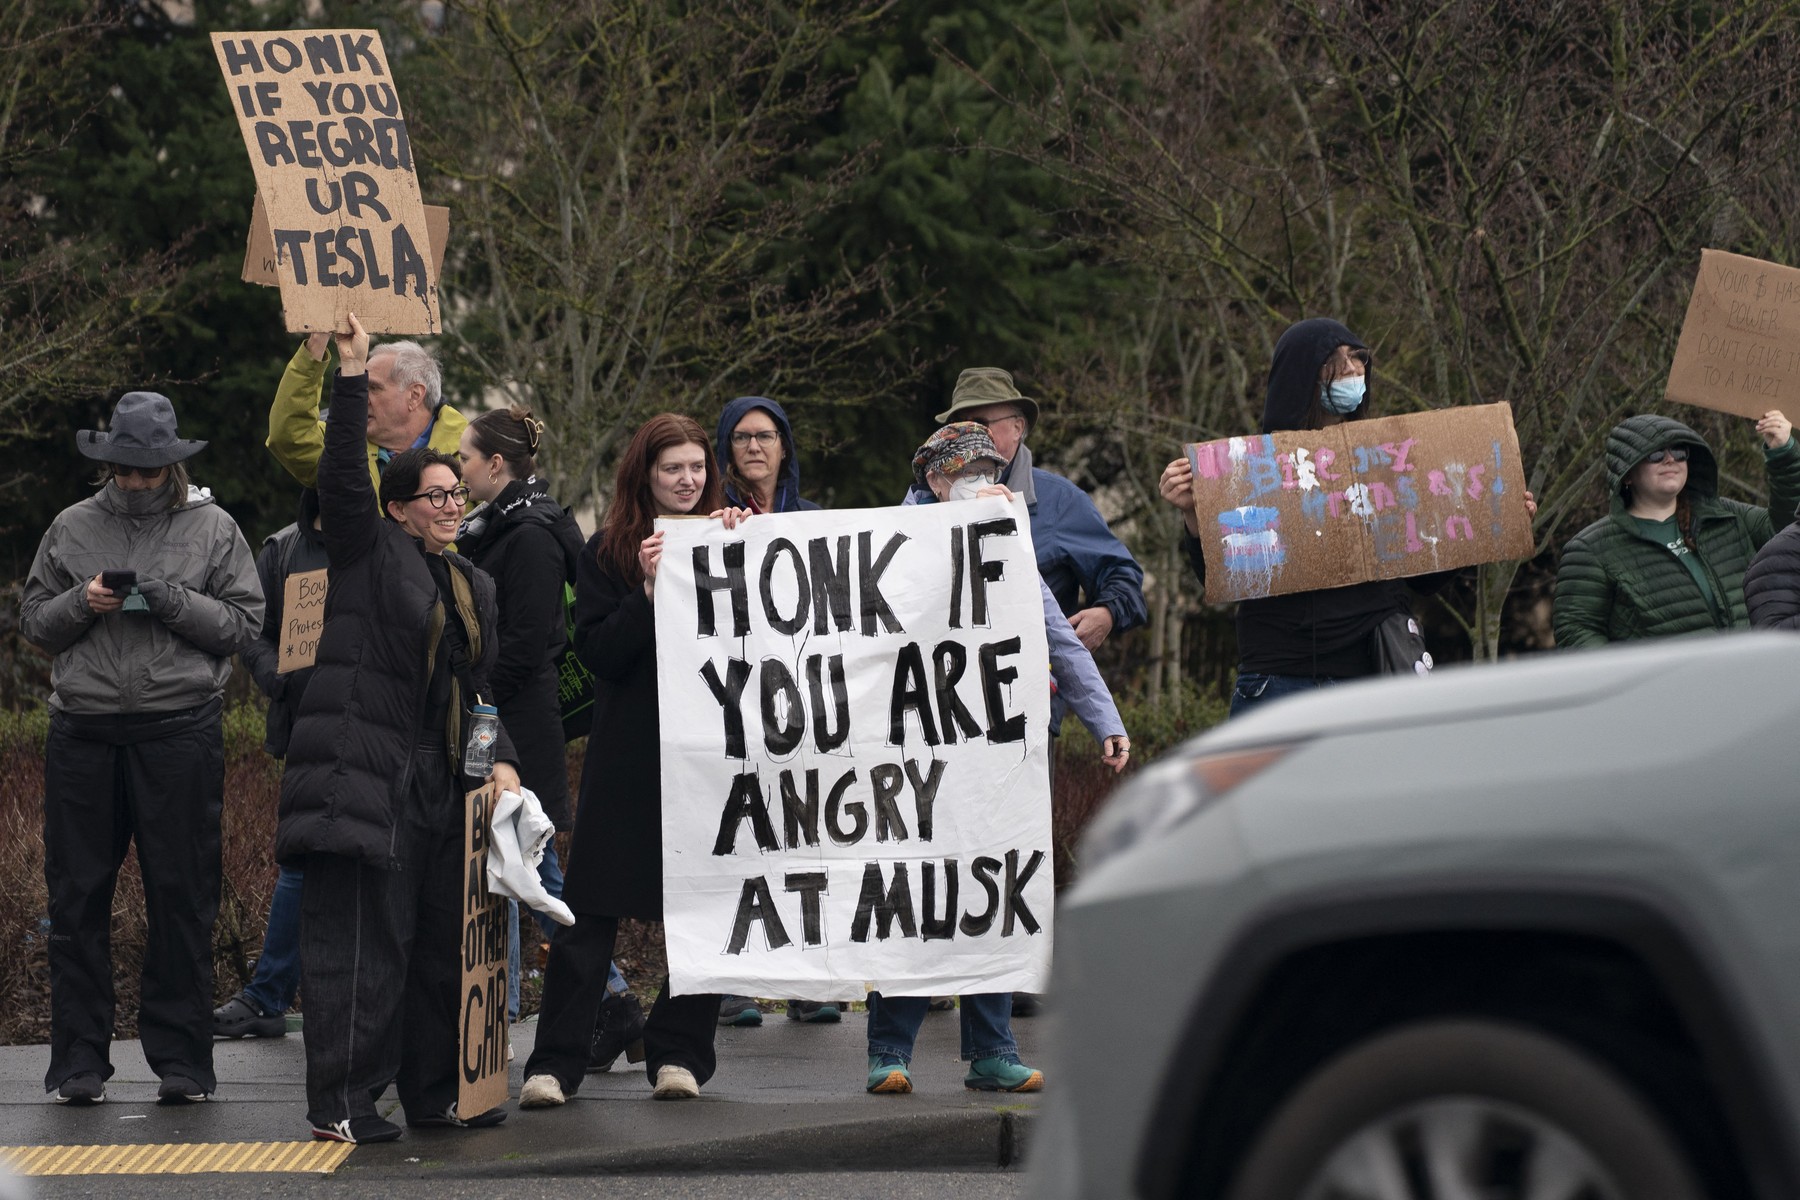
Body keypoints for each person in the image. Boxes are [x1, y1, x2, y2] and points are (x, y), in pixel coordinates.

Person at [276, 314, 520, 1144]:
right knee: (359, 950)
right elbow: (344, 472)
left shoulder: (471, 584)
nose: (453, 506)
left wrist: (503, 767)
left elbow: (477, 689)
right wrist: (348, 374)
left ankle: (431, 1093)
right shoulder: (365, 547)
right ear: (399, 508)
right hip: (365, 774)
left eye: (458, 494)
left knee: (434, 953)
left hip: (443, 782)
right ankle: (342, 1102)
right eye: (436, 496)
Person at [863, 422, 1131, 1097]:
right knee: (915, 898)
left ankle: (993, 1051)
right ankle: (888, 1051)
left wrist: (1105, 718)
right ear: (935, 481)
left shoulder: (1006, 545)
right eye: (972, 473)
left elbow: (1059, 640)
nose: (987, 483)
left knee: (993, 892)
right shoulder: (886, 544)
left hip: (992, 757)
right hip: (917, 756)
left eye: (992, 471)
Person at [22, 392, 263, 1106]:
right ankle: (78, 1066)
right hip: (84, 732)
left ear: (171, 466)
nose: (132, 482)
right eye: (122, 469)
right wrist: (81, 604)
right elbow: (36, 621)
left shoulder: (214, 527)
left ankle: (184, 1064)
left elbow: (245, 624)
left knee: (183, 900)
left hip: (178, 731)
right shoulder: (70, 525)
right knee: (76, 902)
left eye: (145, 471)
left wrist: (169, 598)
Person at [520, 414, 745, 1109]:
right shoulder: (606, 554)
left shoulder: (736, 540)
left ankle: (679, 1054)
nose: (687, 480)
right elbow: (600, 656)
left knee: (703, 910)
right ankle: (556, 1063)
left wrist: (746, 542)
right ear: (644, 475)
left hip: (711, 756)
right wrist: (649, 591)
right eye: (673, 468)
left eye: (697, 468)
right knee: (588, 913)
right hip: (629, 756)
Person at [1158, 318, 1535, 716]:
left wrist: (1489, 520)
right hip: (1281, 677)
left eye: (1359, 363)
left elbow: (1426, 576)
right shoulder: (1251, 471)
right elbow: (1228, 577)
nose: (1354, 373)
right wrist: (1193, 518)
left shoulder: (1387, 463)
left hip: (1371, 676)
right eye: (1338, 364)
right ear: (1304, 374)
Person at [455, 406, 645, 1062]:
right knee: (507, 861)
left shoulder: (528, 537)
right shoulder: (506, 527)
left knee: (530, 866)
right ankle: (602, 1000)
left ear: (496, 464)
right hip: (498, 718)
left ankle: (605, 999)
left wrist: (473, 694)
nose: (459, 468)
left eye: (465, 458)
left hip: (509, 722)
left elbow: (524, 644)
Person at [711, 396, 830, 1027]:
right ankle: (734, 982)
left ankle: (807, 981)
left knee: (801, 837)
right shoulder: (710, 518)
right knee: (739, 838)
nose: (754, 448)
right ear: (725, 449)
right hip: (731, 703)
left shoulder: (814, 521)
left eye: (766, 436)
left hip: (799, 705)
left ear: (785, 447)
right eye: (741, 438)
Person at [914, 368, 1146, 653]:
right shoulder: (923, 498)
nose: (971, 433)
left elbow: (1120, 574)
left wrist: (1107, 613)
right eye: (960, 424)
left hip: (1032, 686)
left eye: (981, 423)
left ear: (1017, 428)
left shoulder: (1060, 501)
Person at [213, 487, 328, 1041]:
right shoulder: (282, 550)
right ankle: (268, 995)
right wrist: (275, 678)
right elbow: (253, 631)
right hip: (307, 731)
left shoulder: (394, 544)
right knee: (299, 862)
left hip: (384, 734)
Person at [1555, 411, 1798, 646]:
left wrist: (1783, 454)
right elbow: (1576, 632)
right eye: (1655, 454)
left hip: (1752, 674)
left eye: (1680, 452)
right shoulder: (1591, 549)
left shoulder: (1726, 514)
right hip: (1672, 685)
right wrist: (1636, 684)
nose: (1670, 459)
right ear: (1627, 474)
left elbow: (1787, 536)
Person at [267, 329, 468, 494]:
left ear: (415, 395)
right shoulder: (344, 444)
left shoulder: (474, 454)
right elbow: (290, 435)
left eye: (373, 388)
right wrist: (317, 343)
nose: (361, 398)